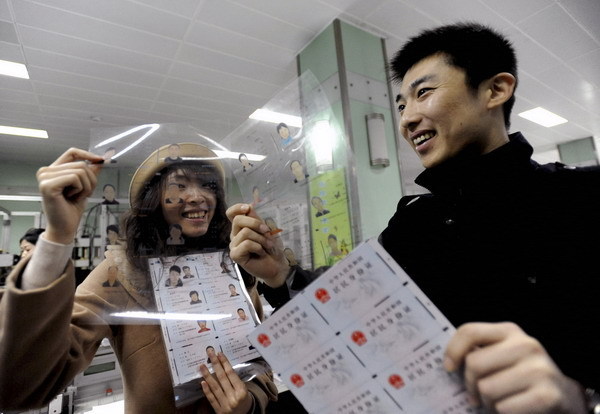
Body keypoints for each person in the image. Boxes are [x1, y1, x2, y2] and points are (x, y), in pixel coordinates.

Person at [228, 23, 600, 413]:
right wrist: (278, 274)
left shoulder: (581, 199)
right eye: (402, 105)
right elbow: (342, 326)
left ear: (496, 89)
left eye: (424, 93)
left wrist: (582, 401)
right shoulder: (413, 223)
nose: (406, 119)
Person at [0, 143, 277, 413]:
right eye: (179, 185)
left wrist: (248, 403)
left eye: (207, 185)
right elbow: (21, 386)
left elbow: (262, 371)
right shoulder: (122, 272)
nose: (197, 196)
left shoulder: (231, 269)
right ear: (154, 200)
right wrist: (56, 238)